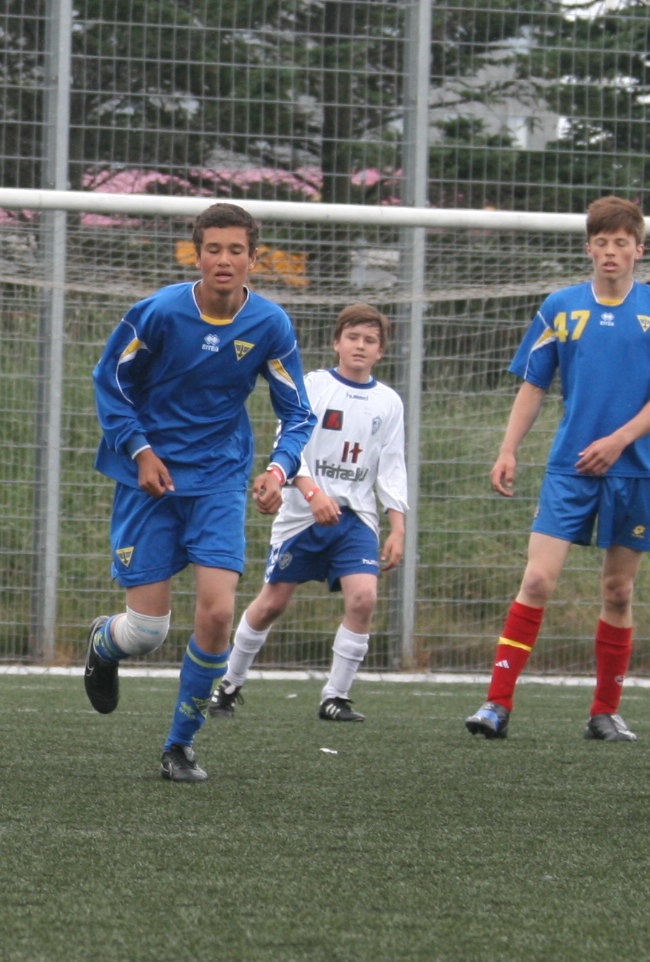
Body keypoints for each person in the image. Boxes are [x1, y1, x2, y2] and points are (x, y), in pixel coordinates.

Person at [82, 201, 315, 783]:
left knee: (218, 613)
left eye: (236, 250)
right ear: (197, 255)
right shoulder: (158, 312)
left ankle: (180, 744)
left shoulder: (270, 325)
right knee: (146, 633)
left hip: (219, 479)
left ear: (253, 258)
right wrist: (140, 450)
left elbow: (298, 413)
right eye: (214, 249)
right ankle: (104, 645)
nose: (224, 260)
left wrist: (279, 471)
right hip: (151, 480)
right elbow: (110, 379)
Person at [464, 195, 650, 743]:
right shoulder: (561, 307)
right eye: (602, 242)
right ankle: (496, 704)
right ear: (589, 247)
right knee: (537, 579)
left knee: (618, 591)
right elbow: (534, 385)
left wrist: (618, 441)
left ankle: (604, 712)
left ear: (639, 250)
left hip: (633, 470)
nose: (611, 251)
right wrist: (507, 448)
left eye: (622, 242)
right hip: (569, 468)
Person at [216, 303, 409, 724]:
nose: (360, 346)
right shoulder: (313, 386)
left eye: (370, 340)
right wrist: (312, 492)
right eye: (353, 337)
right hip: (302, 515)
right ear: (337, 342)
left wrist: (398, 528)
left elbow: (393, 465)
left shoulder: (389, 402)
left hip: (356, 518)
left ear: (381, 351)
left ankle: (335, 697)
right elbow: (289, 441)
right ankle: (228, 685)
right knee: (272, 604)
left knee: (364, 598)